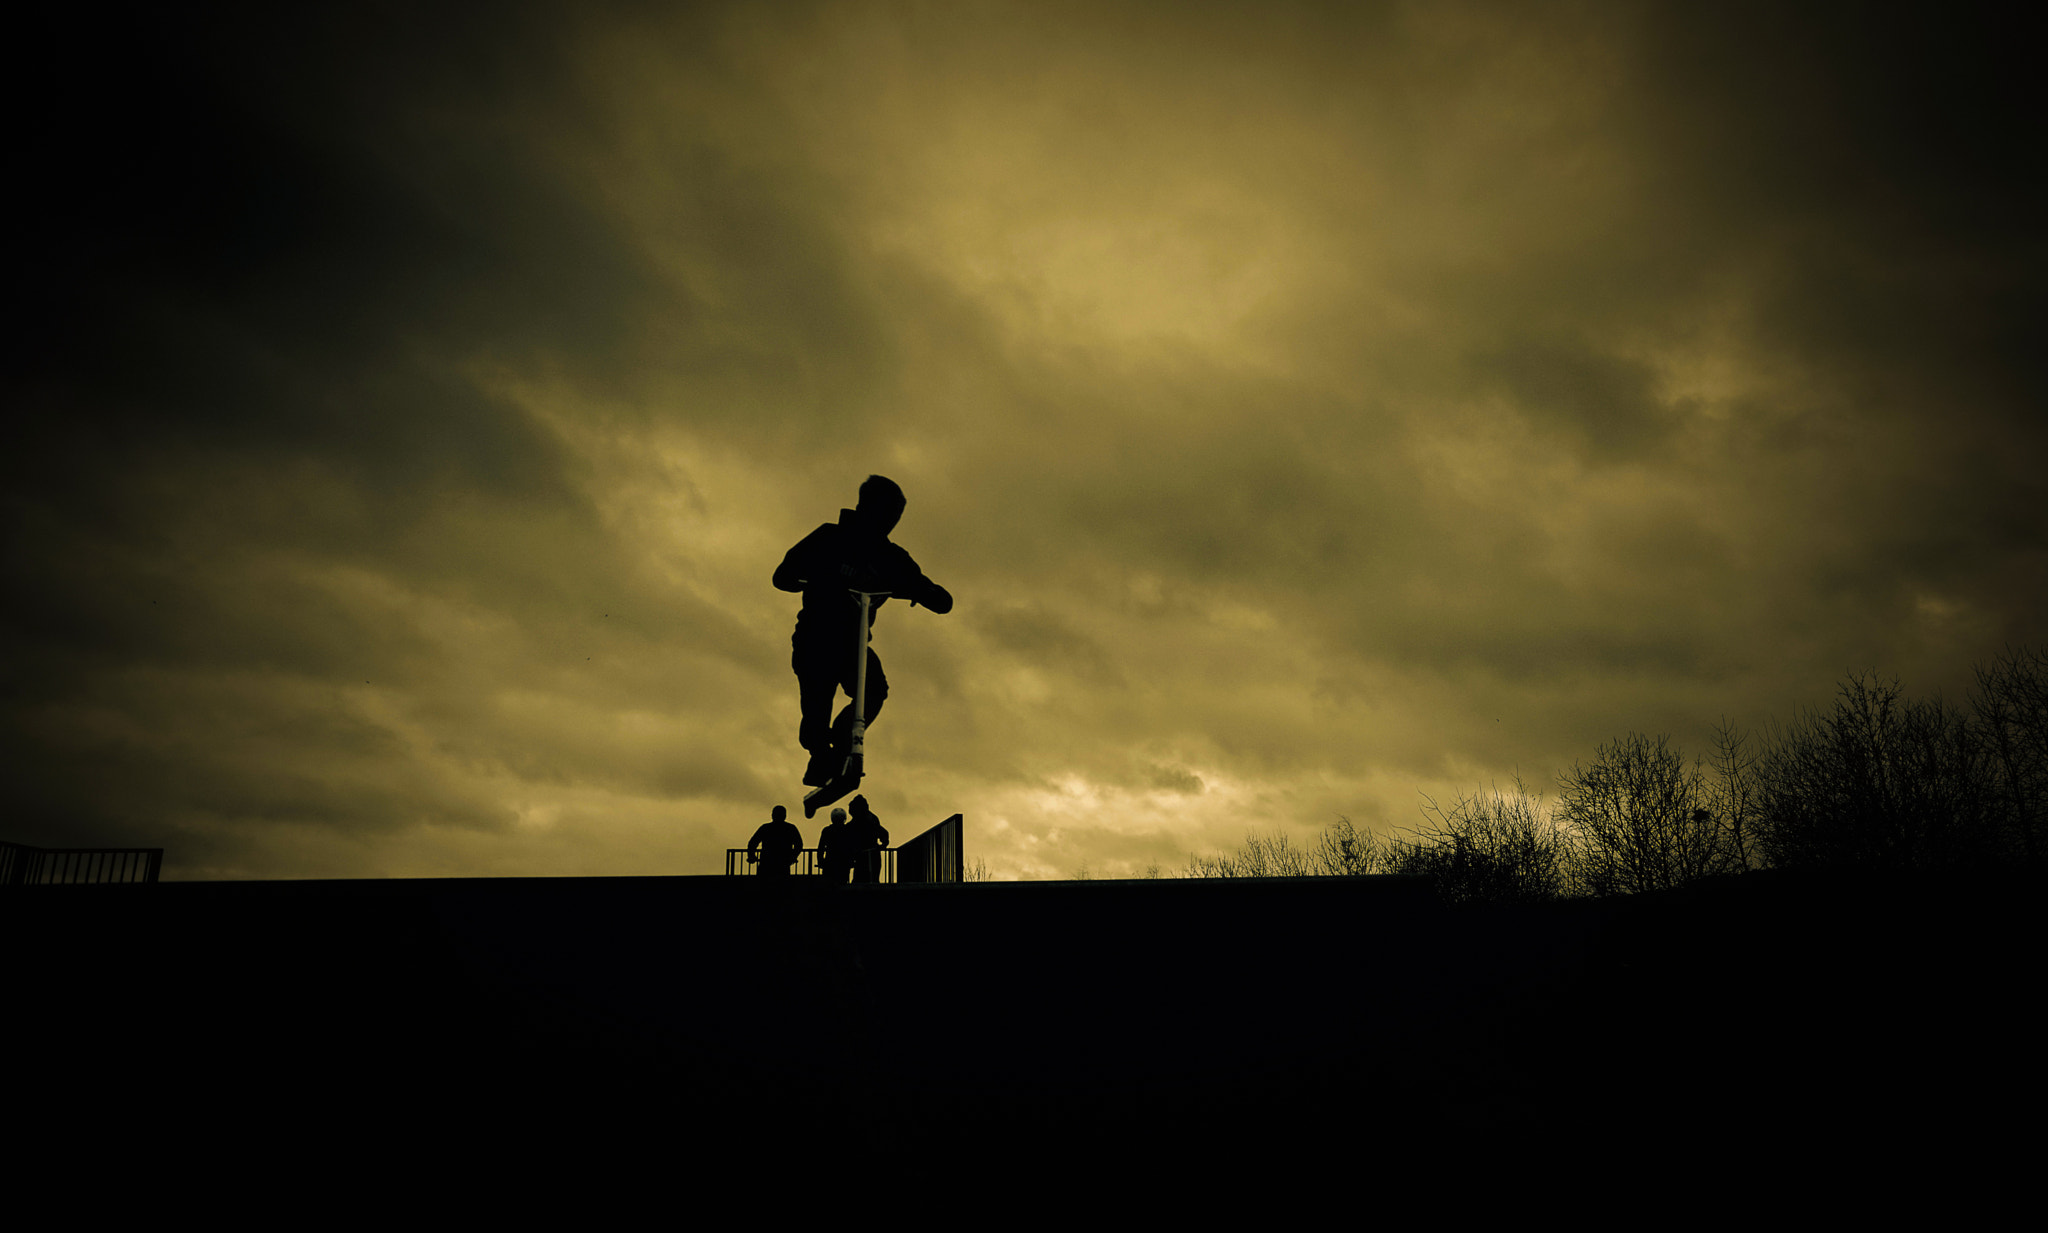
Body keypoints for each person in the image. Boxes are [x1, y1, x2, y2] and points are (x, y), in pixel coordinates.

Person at [774, 475, 953, 787]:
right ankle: (819, 756)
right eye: (887, 514)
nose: (891, 522)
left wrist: (922, 593)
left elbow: (939, 599)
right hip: (815, 636)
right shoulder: (828, 538)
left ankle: (841, 743)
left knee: (873, 689)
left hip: (852, 643)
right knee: (817, 702)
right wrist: (823, 577)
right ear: (867, 508)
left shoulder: (891, 557)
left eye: (895, 517)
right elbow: (783, 576)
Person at [746, 805, 805, 878]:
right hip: (782, 863)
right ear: (785, 816)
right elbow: (799, 844)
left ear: (772, 815)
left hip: (766, 863)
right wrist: (793, 856)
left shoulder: (765, 828)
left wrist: (751, 855)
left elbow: (753, 843)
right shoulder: (790, 828)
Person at [845, 795, 890, 884]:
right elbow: (883, 833)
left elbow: (882, 833)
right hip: (865, 854)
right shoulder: (868, 819)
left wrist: (884, 843)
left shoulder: (870, 819)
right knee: (865, 879)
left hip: (869, 854)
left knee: (867, 879)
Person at [816, 807, 851, 884]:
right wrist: (851, 861)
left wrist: (820, 861)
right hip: (843, 863)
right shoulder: (848, 830)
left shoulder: (827, 830)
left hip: (829, 862)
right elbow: (851, 847)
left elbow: (821, 848)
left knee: (828, 886)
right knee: (843, 884)